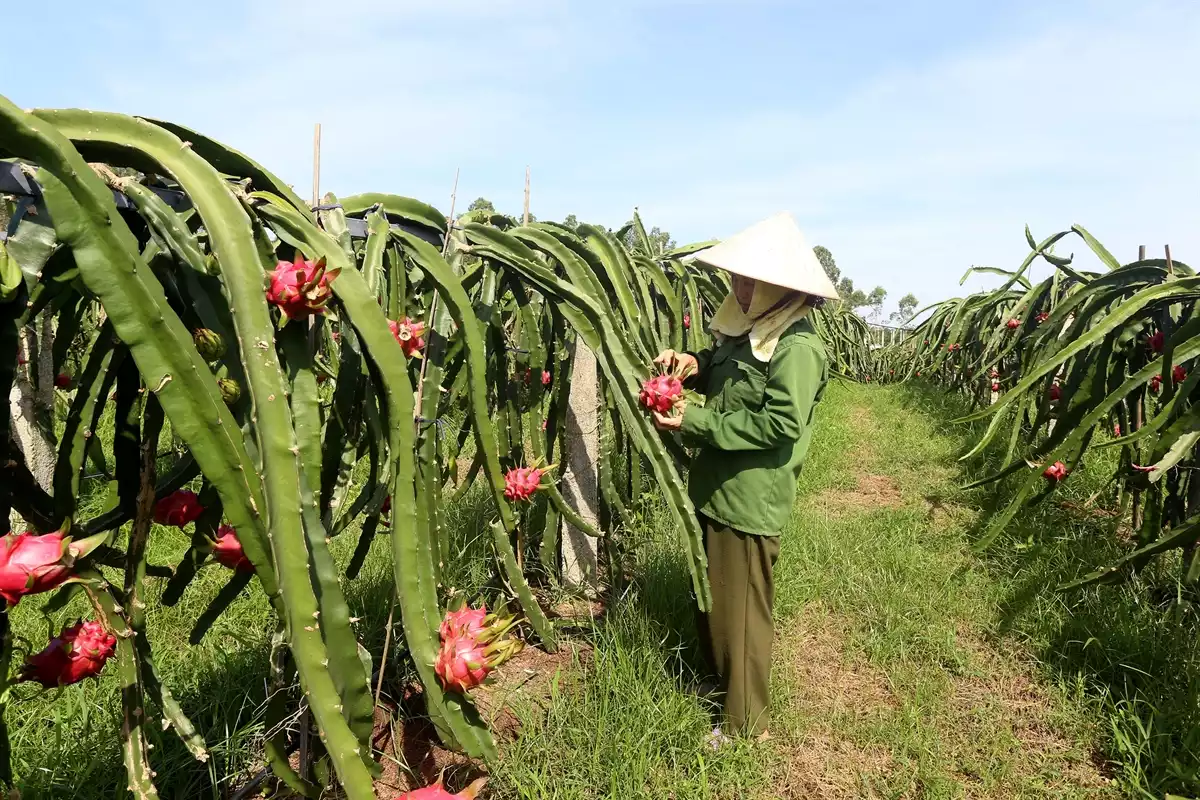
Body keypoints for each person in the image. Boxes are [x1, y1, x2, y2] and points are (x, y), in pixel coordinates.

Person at [650, 212, 838, 743]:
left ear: (782, 285)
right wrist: (690, 363)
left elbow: (781, 424)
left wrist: (696, 418)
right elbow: (720, 363)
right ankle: (720, 688)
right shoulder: (749, 328)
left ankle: (743, 723)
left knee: (745, 614)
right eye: (737, 275)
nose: (740, 285)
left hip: (752, 495)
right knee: (715, 601)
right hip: (717, 485)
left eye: (752, 278)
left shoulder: (796, 347)